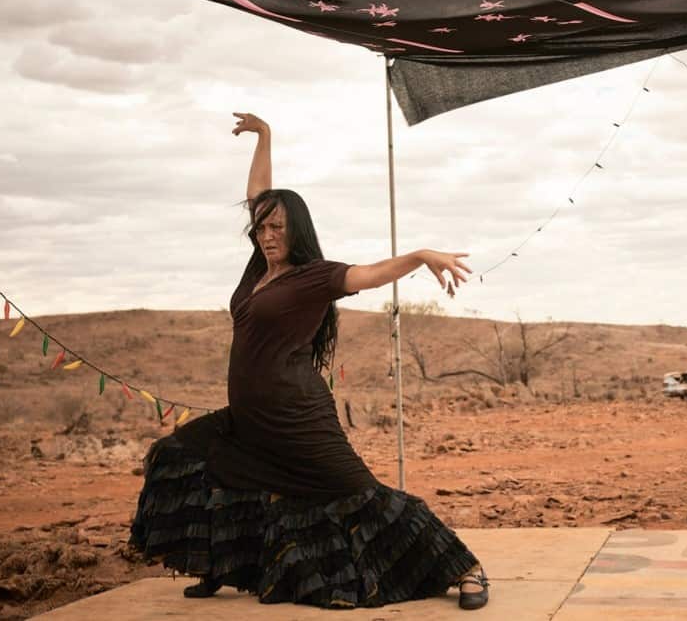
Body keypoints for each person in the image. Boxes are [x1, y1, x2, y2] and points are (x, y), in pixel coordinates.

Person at [129, 113, 489, 611]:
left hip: (297, 416)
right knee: (181, 457)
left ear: (295, 230)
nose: (266, 233)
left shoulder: (316, 276)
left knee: (359, 492)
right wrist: (265, 136)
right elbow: (260, 193)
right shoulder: (260, 265)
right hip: (250, 420)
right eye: (261, 226)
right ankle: (221, 563)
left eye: (276, 227)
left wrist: (420, 254)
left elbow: (369, 274)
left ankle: (466, 568)